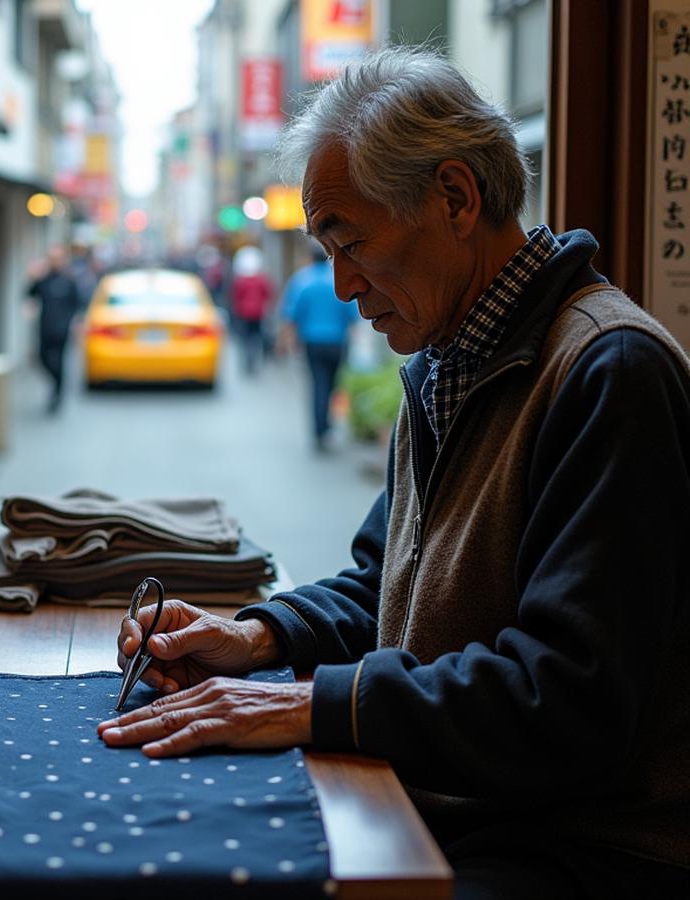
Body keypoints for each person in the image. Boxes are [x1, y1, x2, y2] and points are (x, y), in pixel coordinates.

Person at [97, 46, 690, 900]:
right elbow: (386, 583)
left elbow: (570, 700)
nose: (339, 286)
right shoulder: (450, 358)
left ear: (454, 198)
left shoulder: (608, 369)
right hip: (463, 805)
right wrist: (256, 638)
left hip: (583, 848)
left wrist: (309, 705)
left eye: (353, 243)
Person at [280, 244, 360, 450]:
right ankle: (327, 426)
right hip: (338, 341)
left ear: (310, 257)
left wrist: (285, 342)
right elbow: (353, 315)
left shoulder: (301, 281)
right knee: (333, 385)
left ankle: (319, 430)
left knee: (318, 384)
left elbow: (291, 315)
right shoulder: (337, 280)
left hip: (312, 342)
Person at [26, 245, 82, 413]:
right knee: (42, 359)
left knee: (59, 361)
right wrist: (33, 277)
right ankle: (56, 383)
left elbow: (77, 304)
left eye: (57, 258)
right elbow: (30, 294)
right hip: (45, 327)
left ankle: (58, 394)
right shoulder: (43, 279)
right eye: (51, 258)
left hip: (62, 329)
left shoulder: (69, 280)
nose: (54, 261)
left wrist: (75, 323)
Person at [230, 246, 274, 376]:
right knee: (256, 336)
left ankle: (248, 360)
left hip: (244, 313)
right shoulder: (261, 279)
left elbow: (235, 296)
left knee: (245, 337)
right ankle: (254, 359)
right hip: (258, 313)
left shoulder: (241, 280)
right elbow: (268, 294)